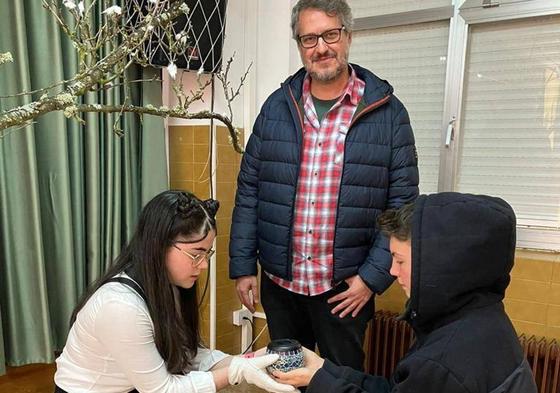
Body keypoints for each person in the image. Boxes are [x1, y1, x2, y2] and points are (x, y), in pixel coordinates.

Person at [229, 0, 419, 371]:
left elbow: (402, 206)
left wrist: (371, 278)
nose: (321, 47)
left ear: (347, 36)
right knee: (285, 376)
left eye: (330, 34)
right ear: (299, 45)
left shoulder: (389, 113)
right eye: (309, 38)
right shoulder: (276, 108)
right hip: (280, 283)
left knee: (340, 381)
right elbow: (249, 188)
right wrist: (242, 265)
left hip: (345, 290)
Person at [272, 192, 538, 393]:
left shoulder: (442, 361)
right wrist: (322, 370)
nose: (393, 272)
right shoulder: (482, 317)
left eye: (400, 261)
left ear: (440, 265)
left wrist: (319, 381)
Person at [54, 190, 297, 393]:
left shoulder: (166, 286)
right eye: (196, 254)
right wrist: (235, 373)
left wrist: (250, 361)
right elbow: (163, 390)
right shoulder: (120, 307)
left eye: (207, 253)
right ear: (160, 244)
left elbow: (189, 354)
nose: (203, 265)